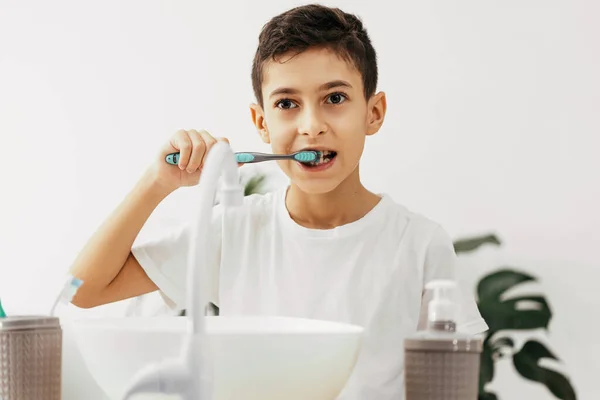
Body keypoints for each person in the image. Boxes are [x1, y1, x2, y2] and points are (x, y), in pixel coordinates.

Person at [70, 4, 488, 399]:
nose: (311, 126)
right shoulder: (232, 230)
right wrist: (155, 183)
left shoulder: (419, 243)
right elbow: (83, 289)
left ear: (373, 112)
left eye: (335, 98)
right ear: (261, 123)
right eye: (287, 104)